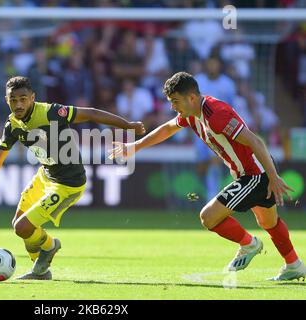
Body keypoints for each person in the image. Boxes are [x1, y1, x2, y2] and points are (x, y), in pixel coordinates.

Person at [110, 72, 306, 281]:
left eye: (175, 101)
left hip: (255, 175)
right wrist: (136, 146)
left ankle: (249, 243)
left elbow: (255, 141)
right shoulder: (191, 115)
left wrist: (273, 177)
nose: (173, 107)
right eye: (171, 102)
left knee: (208, 217)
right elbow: (167, 128)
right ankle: (294, 265)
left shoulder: (216, 114)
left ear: (192, 97)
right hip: (251, 174)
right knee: (269, 222)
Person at [0, 76, 145, 280]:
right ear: (6, 100)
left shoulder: (50, 112)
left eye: (23, 99)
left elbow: (90, 113)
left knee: (23, 227)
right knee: (19, 223)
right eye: (13, 99)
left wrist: (127, 125)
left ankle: (51, 246)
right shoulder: (12, 124)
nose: (18, 104)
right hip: (45, 175)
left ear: (32, 98)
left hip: (68, 184)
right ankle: (41, 271)